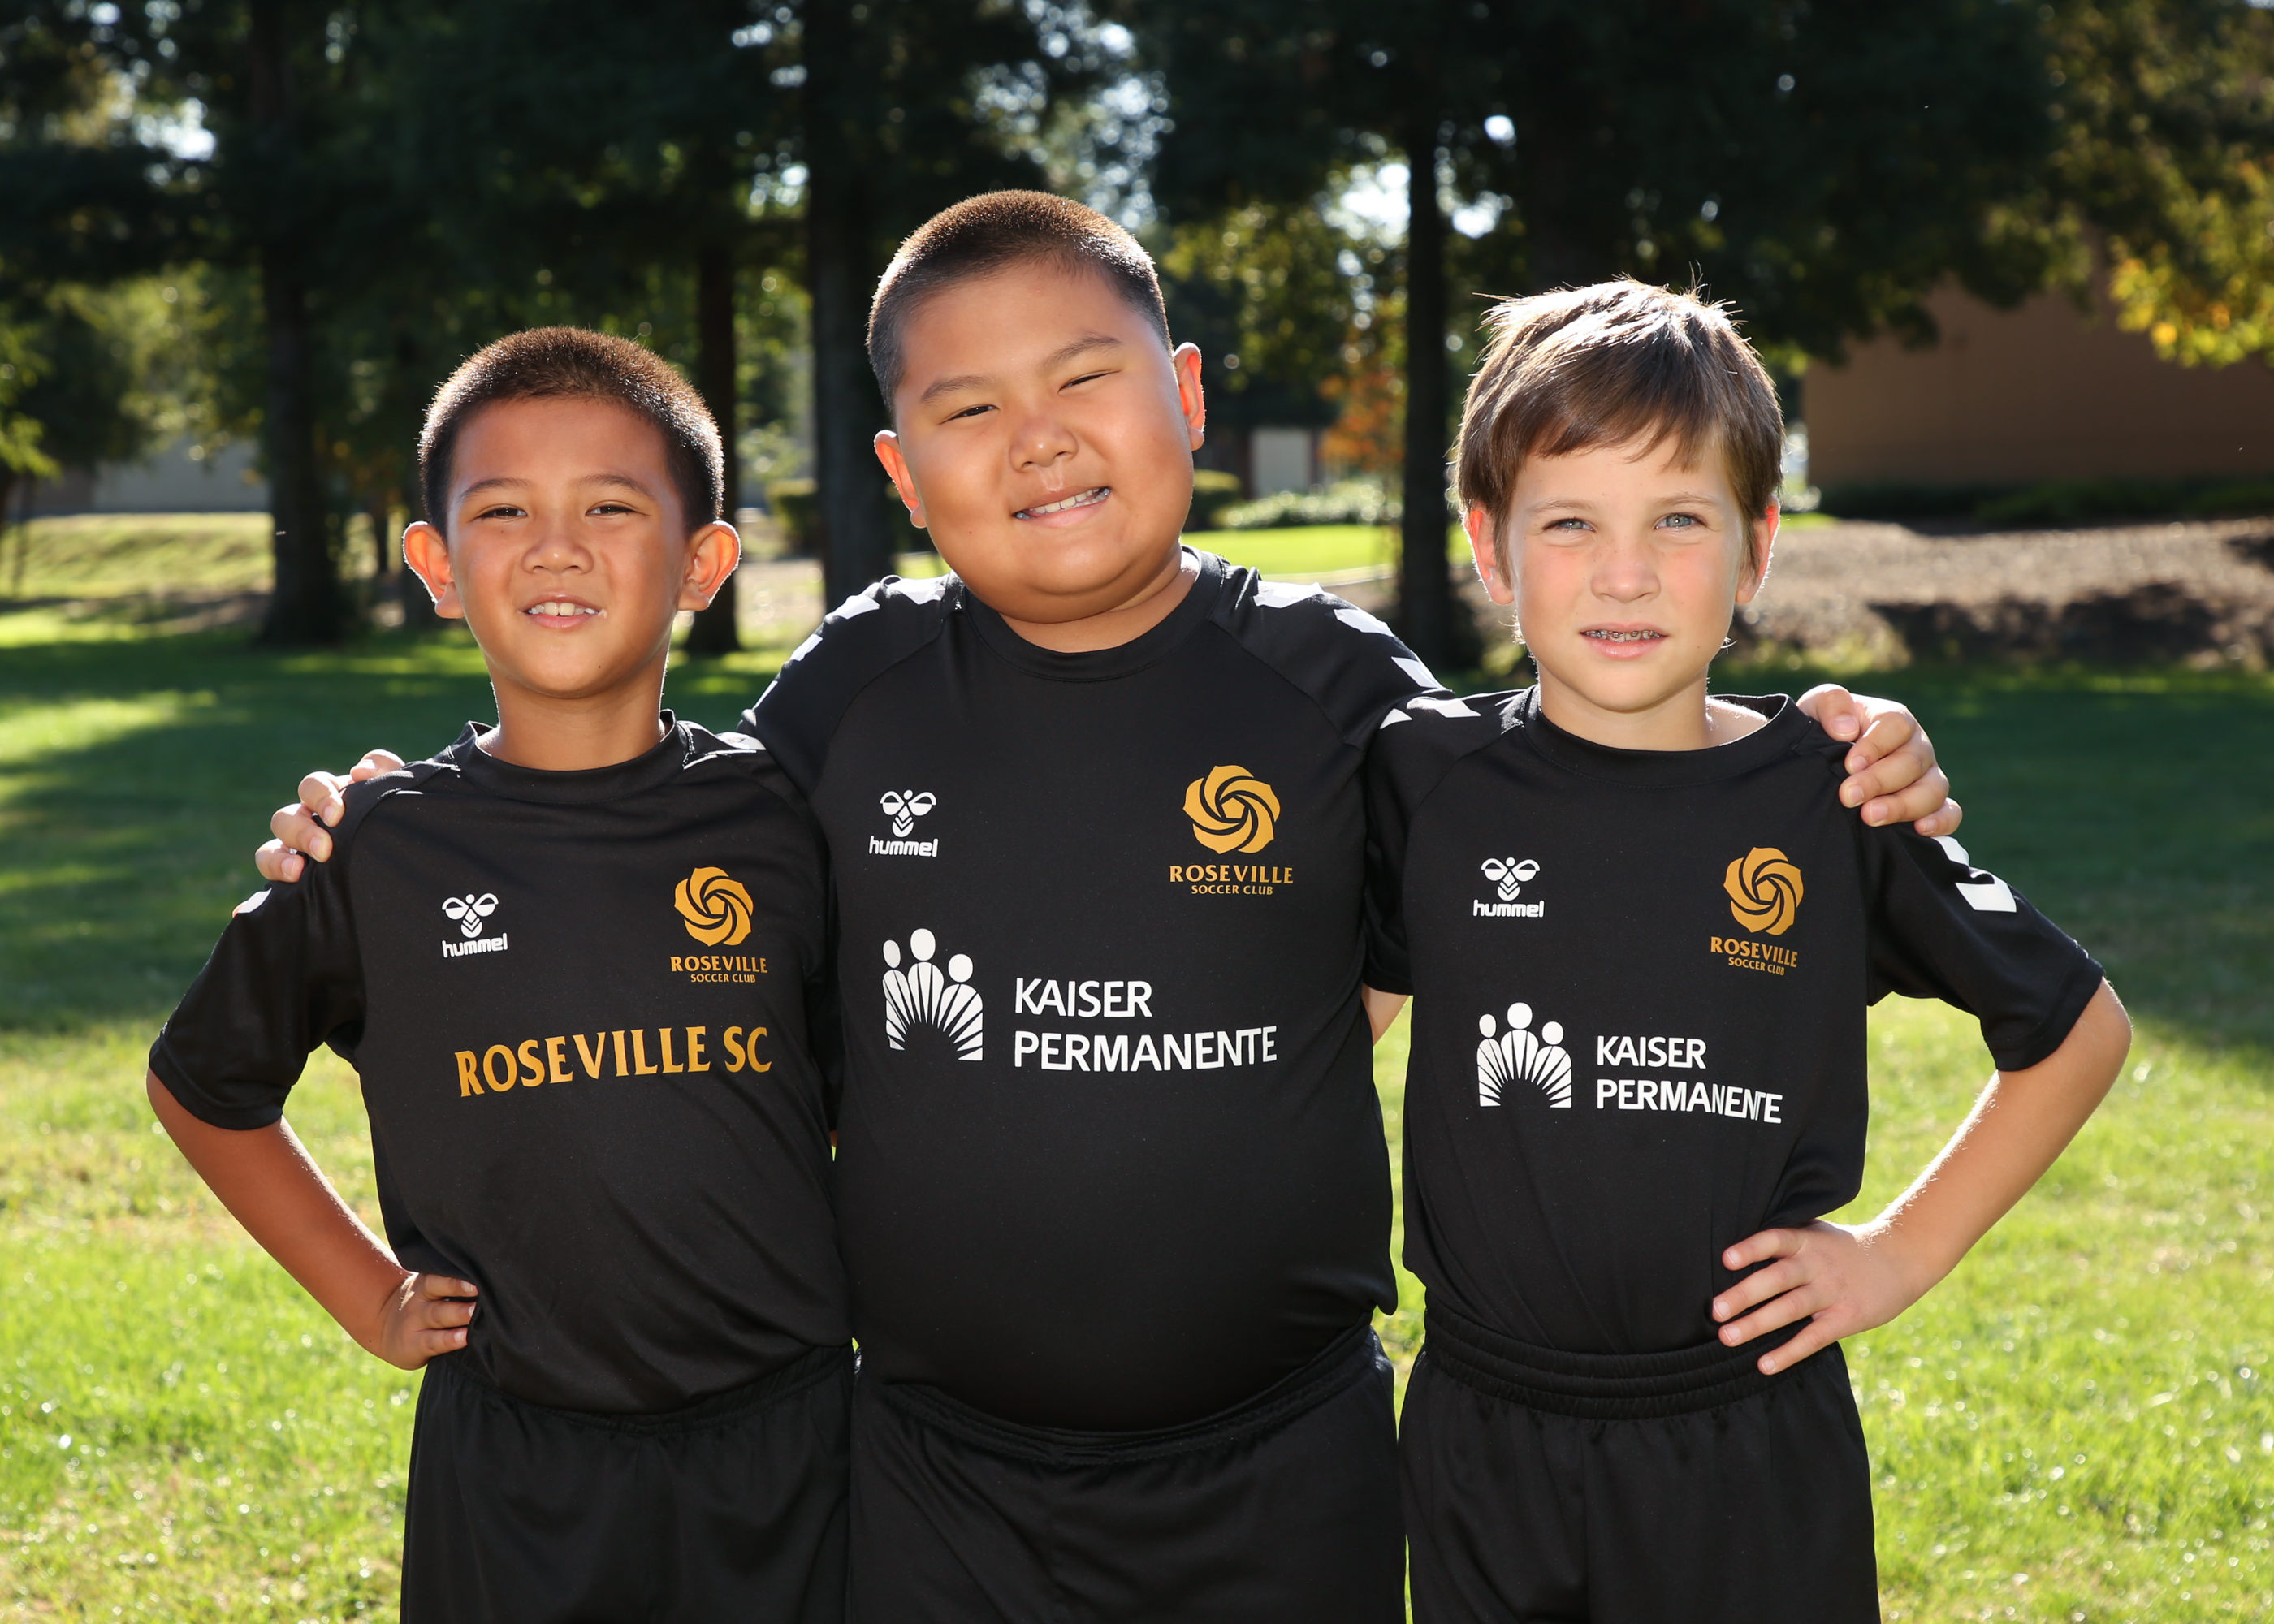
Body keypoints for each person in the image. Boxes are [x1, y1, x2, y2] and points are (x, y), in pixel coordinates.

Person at [256, 195, 1960, 1622]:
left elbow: (1588, 809)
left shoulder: (1339, 688)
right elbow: (632, 839)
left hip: (1285, 1457)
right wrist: (408, 813)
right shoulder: (849, 696)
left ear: (1187, 393)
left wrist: (1832, 753)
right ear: (900, 470)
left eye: (1084, 376)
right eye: (968, 409)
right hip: (936, 1475)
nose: (1039, 437)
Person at [1363, 279, 2131, 1624]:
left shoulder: (1834, 794)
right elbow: (1315, 1032)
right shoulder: (1424, 780)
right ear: (1490, 547)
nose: (1624, 572)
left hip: (1748, 1434)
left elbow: (2078, 1030)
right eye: (1569, 522)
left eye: (1679, 518)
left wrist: (1896, 1255)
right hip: (1485, 1431)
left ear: (1757, 547)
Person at [148, 328, 853, 1624]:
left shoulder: (781, 820)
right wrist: (370, 1297)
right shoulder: (376, 849)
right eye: (505, 510)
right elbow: (204, 1088)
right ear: (437, 565)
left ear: (703, 563)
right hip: (515, 1461)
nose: (556, 547)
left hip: (792, 1446)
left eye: (611, 507)